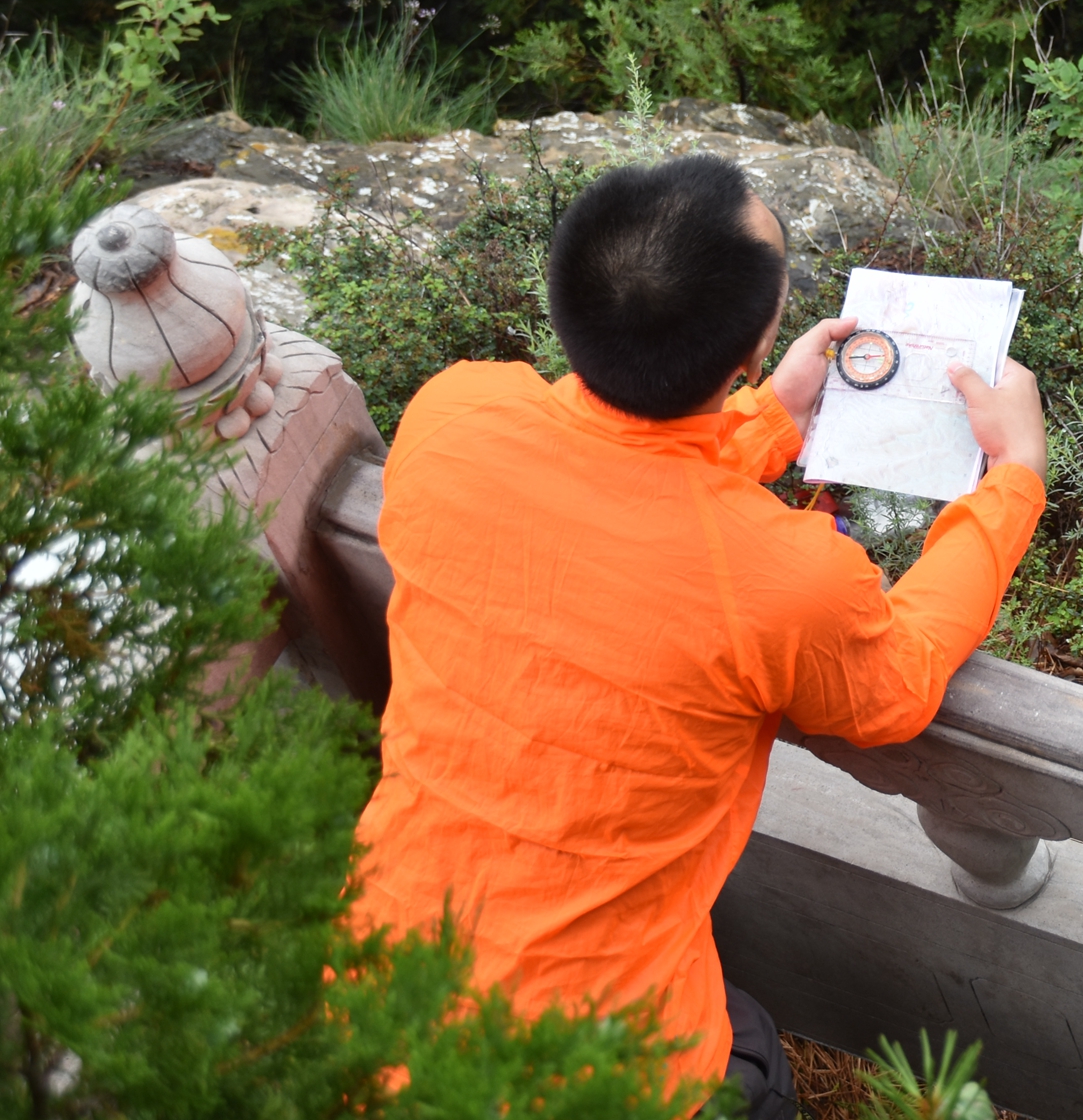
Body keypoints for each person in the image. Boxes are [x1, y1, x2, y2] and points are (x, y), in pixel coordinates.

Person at [349, 154, 1047, 1118]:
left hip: (371, 1009)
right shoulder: (781, 582)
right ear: (752, 349)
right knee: (747, 1066)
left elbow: (611, 477)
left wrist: (770, 417)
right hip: (606, 1085)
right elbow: (898, 683)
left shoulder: (453, 418)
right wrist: (1014, 473)